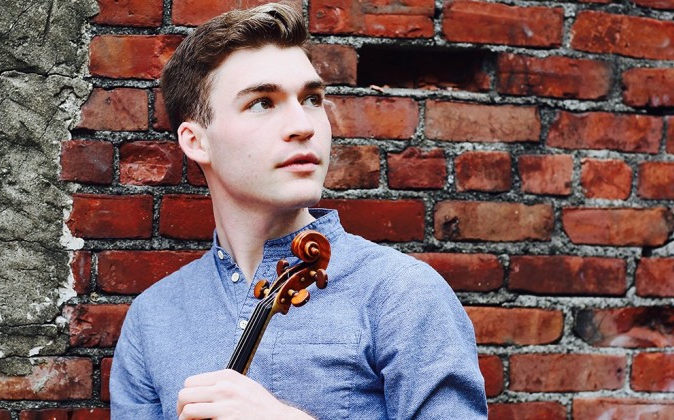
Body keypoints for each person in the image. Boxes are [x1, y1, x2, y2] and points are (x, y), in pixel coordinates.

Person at [109, 3, 487, 419]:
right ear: (196, 141)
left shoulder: (401, 294)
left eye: (311, 99)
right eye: (262, 103)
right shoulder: (153, 319)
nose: (303, 125)